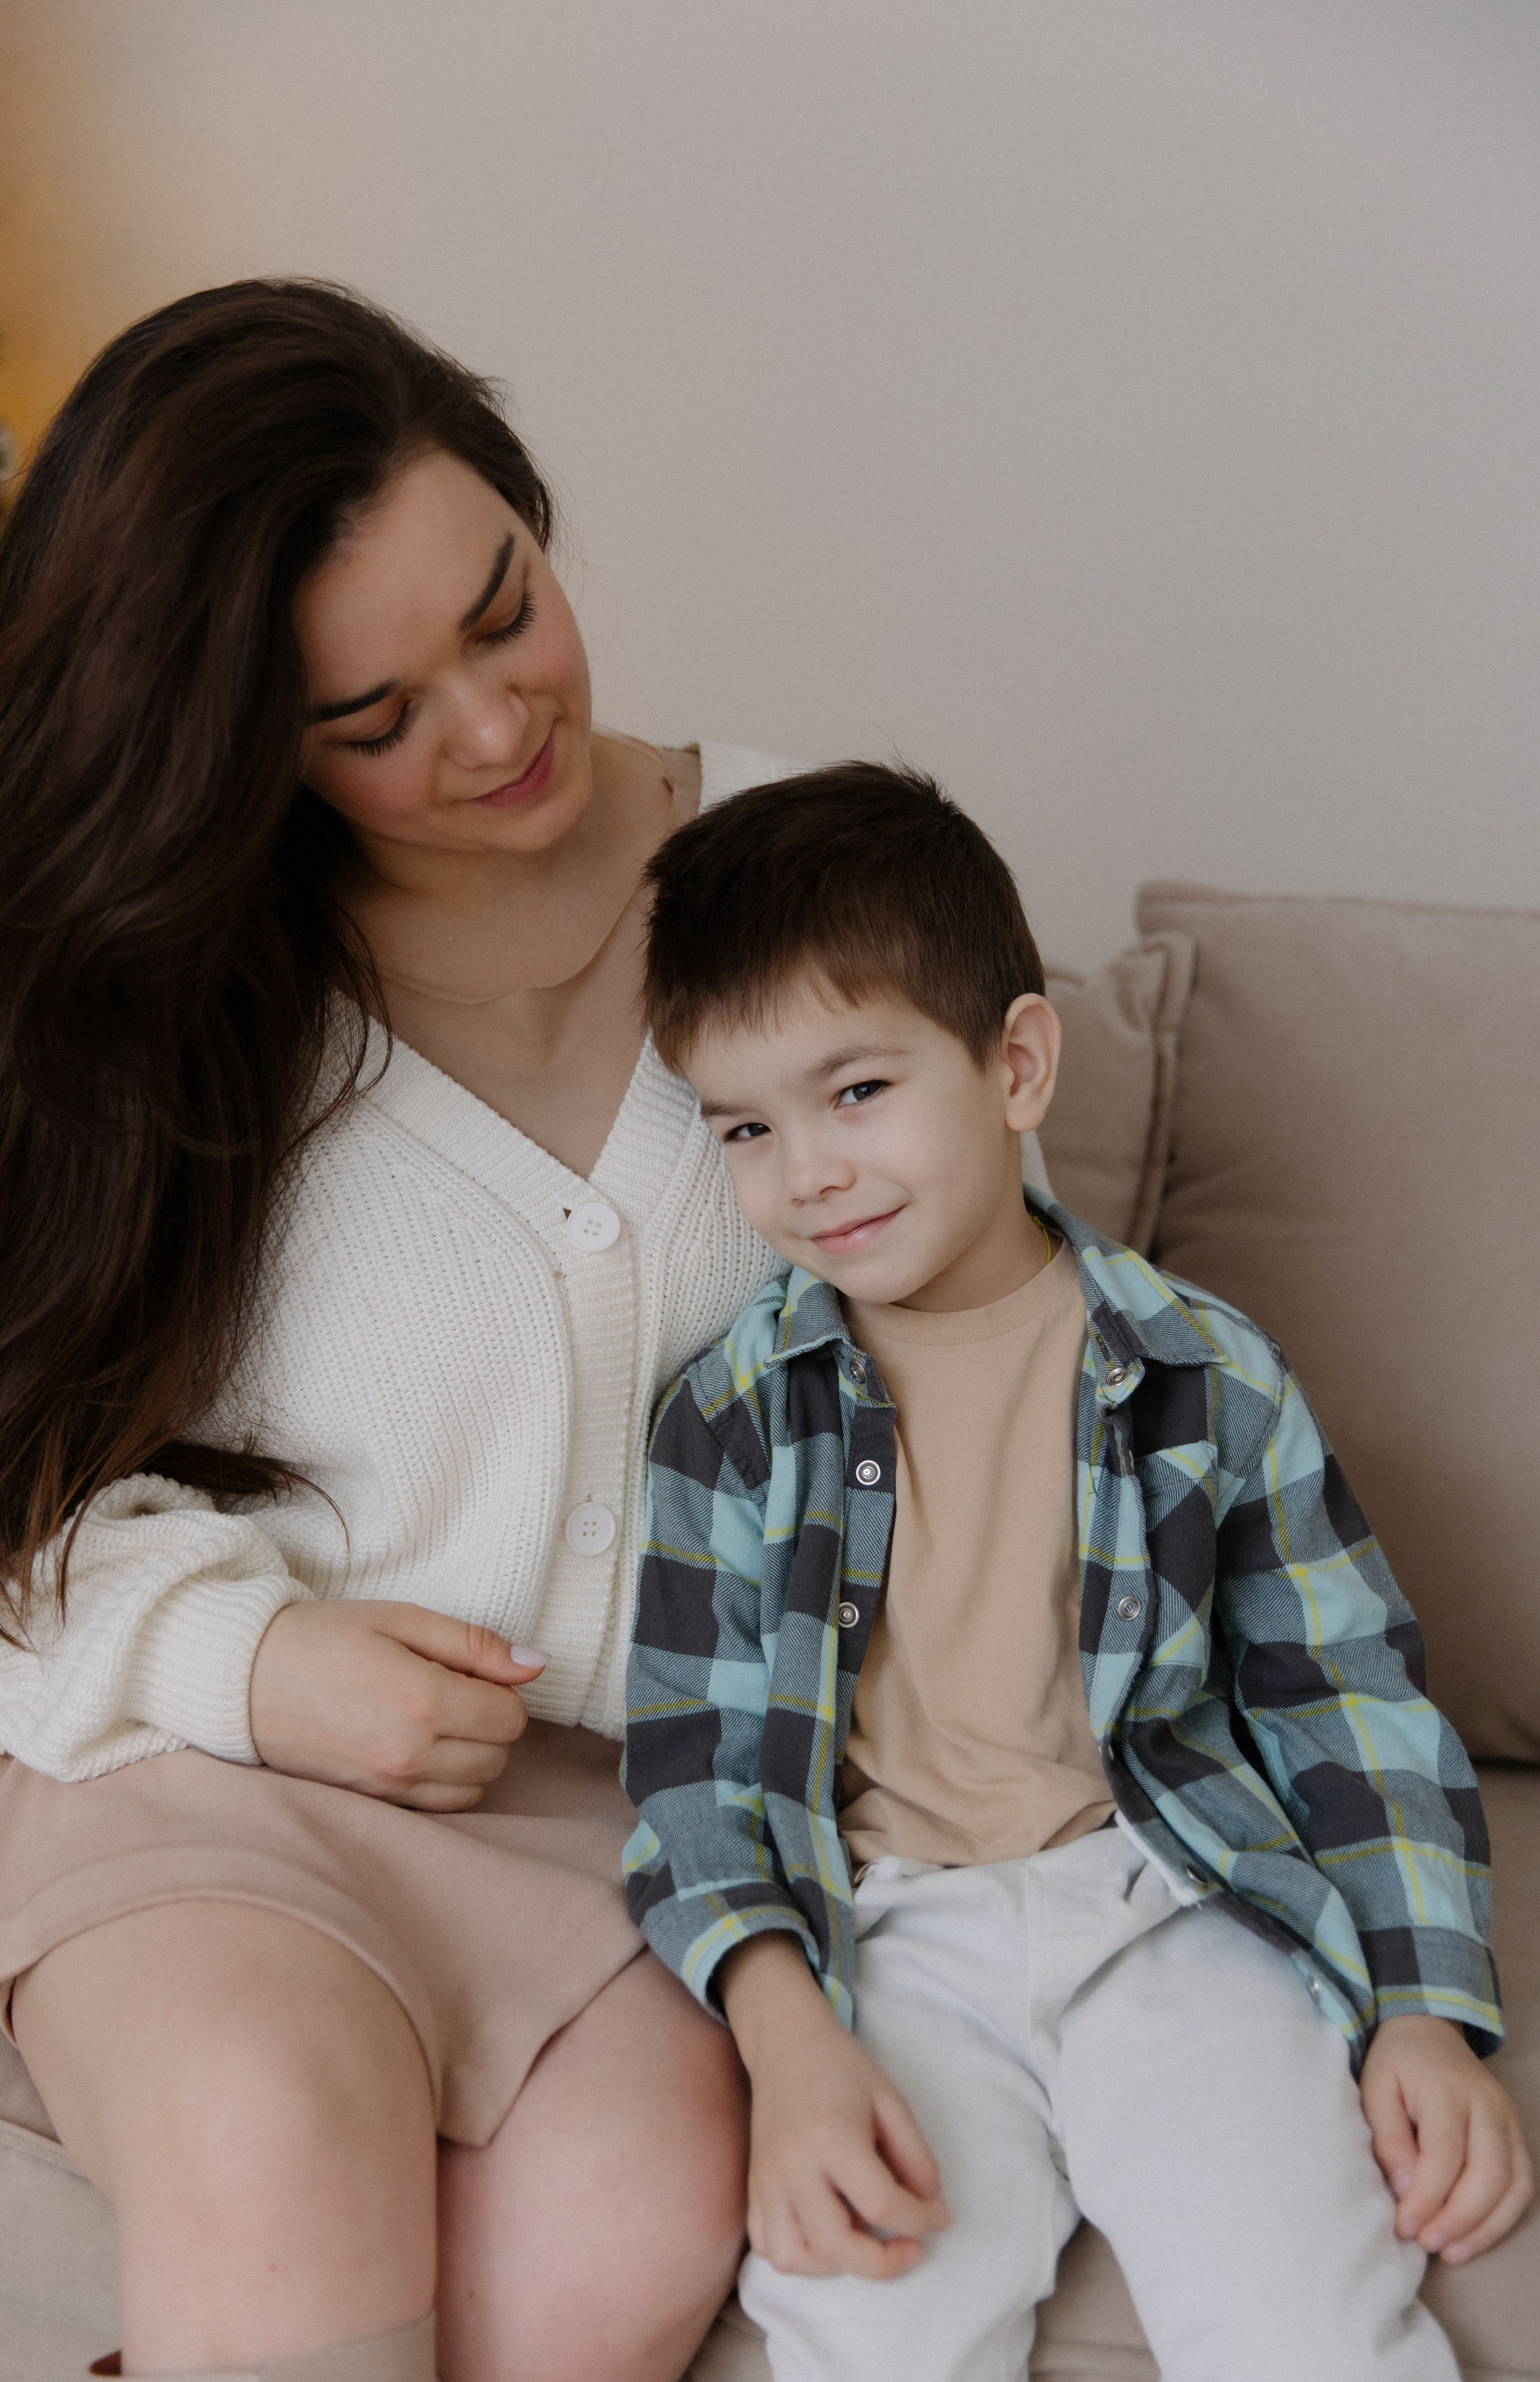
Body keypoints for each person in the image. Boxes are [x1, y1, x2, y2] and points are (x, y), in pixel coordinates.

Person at [0, 279, 785, 2382]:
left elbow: (1006, 1363)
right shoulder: (138, 975)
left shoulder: (822, 884)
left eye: (503, 614)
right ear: (237, 740)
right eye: (372, 719)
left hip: (624, 1834)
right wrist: (248, 1658)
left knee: (624, 2233)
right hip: (189, 1755)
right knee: (271, 2123)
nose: (495, 731)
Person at [622, 762, 1534, 2382]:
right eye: (747, 1126)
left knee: (1307, 2328)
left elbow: (1346, 1690)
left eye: (857, 1093)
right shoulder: (733, 1417)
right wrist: (791, 2037)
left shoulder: (1201, 1375)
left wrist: (1422, 2009)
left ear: (1018, 1065)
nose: (807, 1172)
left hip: (1167, 1906)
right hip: (886, 1937)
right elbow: (691, 1770)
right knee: (870, 2321)